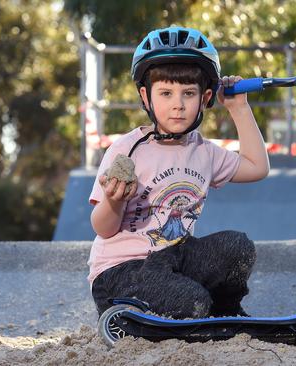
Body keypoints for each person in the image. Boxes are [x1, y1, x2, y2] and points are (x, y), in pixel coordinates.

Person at [87, 26, 269, 319]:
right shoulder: (127, 150)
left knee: (238, 247)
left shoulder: (203, 151)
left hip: (174, 259)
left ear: (205, 97)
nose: (177, 104)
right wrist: (114, 201)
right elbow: (103, 228)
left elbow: (257, 167)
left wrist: (239, 109)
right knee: (192, 302)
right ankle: (134, 312)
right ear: (146, 98)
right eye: (166, 93)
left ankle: (225, 313)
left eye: (188, 93)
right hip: (122, 271)